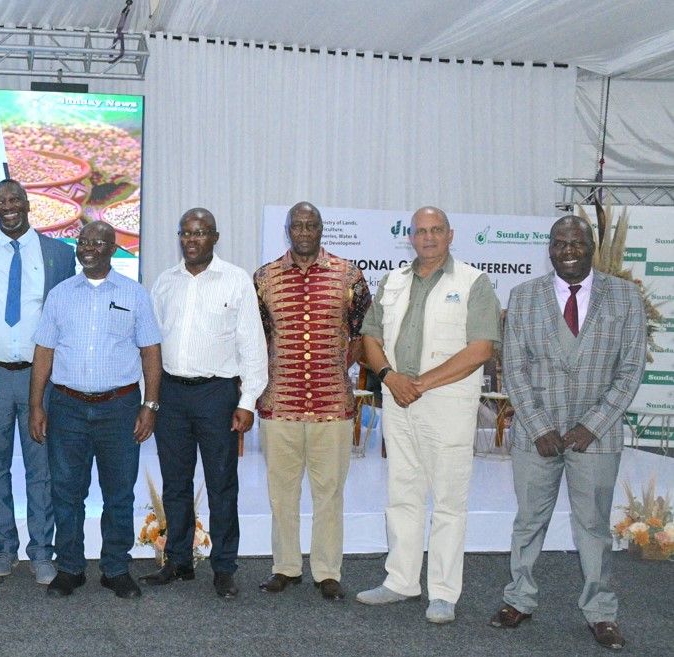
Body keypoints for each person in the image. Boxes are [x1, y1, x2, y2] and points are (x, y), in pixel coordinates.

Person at [489, 215, 645, 651]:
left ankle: (601, 612)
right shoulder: (523, 298)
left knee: (593, 526)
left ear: (591, 246)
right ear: (550, 249)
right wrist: (538, 427)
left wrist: (591, 426)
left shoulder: (625, 298)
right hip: (536, 437)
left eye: (577, 243)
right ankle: (519, 598)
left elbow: (631, 370)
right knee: (529, 522)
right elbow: (513, 369)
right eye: (560, 243)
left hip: (598, 437)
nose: (569, 251)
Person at [356, 206, 501, 624]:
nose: (429, 237)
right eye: (421, 231)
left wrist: (419, 383)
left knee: (450, 502)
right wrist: (388, 376)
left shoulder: (473, 282)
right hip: (399, 400)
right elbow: (370, 335)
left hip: (446, 404)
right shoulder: (394, 281)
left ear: (451, 234)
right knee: (402, 492)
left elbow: (481, 349)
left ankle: (442, 592)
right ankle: (400, 580)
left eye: (436, 230)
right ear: (410, 238)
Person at [29, 221, 162, 599]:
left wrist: (150, 404)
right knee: (67, 492)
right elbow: (44, 351)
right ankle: (69, 568)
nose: (88, 248)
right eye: (82, 241)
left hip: (119, 407)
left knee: (118, 493)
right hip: (67, 406)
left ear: (112, 247)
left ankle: (116, 569)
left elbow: (151, 351)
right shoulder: (60, 294)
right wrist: (36, 404)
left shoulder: (135, 295)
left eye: (97, 242)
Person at [141, 208, 267, 599]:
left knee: (221, 485)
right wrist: (152, 397)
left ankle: (224, 567)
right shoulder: (165, 282)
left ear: (215, 237)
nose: (191, 240)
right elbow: (152, 346)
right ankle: (178, 561)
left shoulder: (236, 281)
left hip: (217, 394)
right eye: (185, 233)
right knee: (175, 485)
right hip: (172, 395)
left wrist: (247, 401)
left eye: (200, 233)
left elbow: (252, 345)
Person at [252, 202, 371, 601]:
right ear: (288, 230)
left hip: (331, 405)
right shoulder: (264, 279)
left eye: (311, 224)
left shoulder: (350, 275)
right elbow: (259, 339)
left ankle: (327, 571)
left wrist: (333, 366)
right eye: (297, 225)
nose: (304, 231)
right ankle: (285, 567)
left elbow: (360, 336)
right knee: (281, 493)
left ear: (322, 229)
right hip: (280, 403)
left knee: (329, 493)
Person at [0, 180, 75, 584]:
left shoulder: (59, 255)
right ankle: (4, 548)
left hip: (38, 379)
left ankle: (42, 551)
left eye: (13, 200)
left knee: (40, 469)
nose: (7, 207)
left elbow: (65, 317)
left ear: (27, 205)